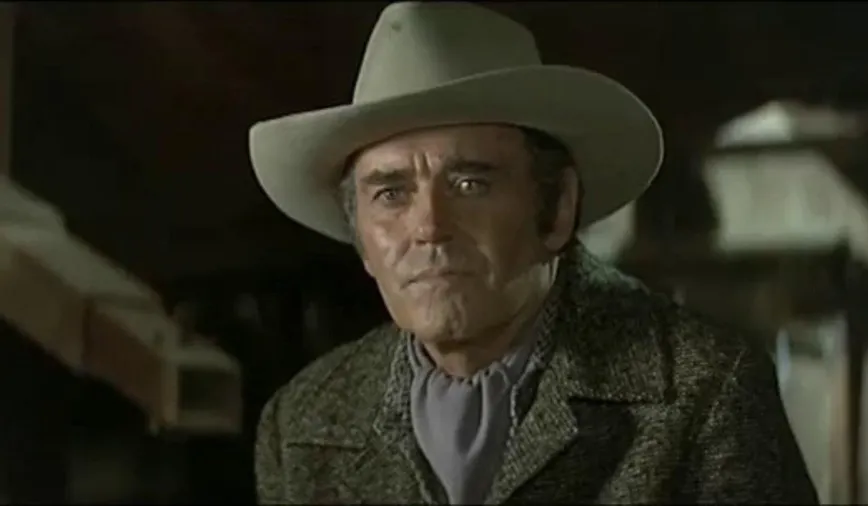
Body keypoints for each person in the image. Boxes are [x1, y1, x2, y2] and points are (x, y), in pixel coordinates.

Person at [249, 2, 818, 504]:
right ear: (362, 242)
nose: (429, 228)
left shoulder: (704, 393)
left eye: (470, 184)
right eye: (391, 194)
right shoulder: (302, 422)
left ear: (557, 208)